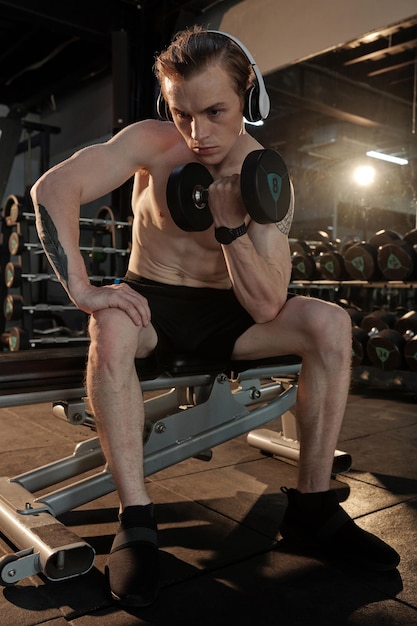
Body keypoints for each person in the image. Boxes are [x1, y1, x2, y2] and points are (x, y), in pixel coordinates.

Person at [31, 27, 400, 608]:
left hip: (234, 311)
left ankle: (311, 510)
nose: (198, 133)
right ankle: (137, 521)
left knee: (329, 322)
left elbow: (266, 305)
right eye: (182, 113)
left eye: (214, 111)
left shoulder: (266, 175)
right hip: (152, 302)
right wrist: (81, 288)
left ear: (247, 100)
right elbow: (54, 187)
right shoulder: (151, 144)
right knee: (111, 324)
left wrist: (231, 227)